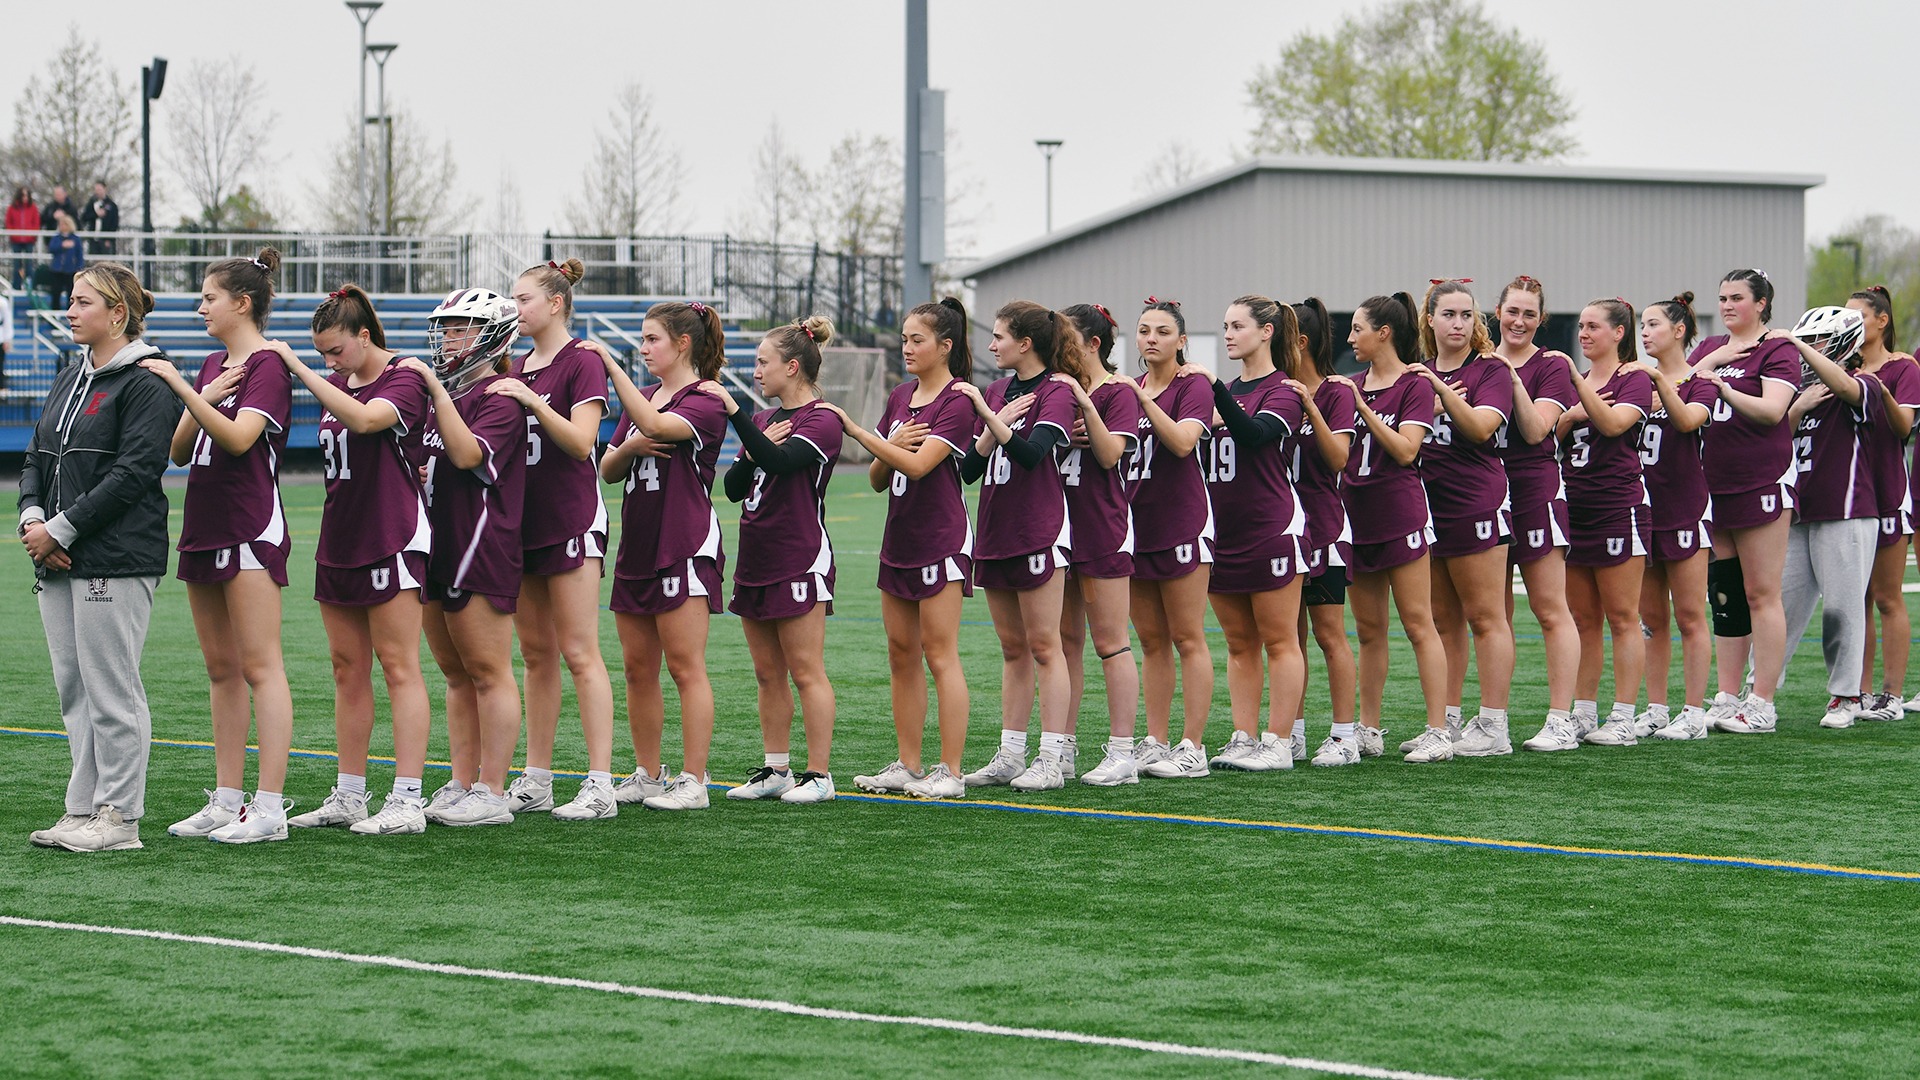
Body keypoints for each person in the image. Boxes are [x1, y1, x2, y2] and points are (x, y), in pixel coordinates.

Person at [21, 263, 181, 852]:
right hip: (59, 554)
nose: (69, 311)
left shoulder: (147, 380)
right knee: (75, 689)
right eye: (71, 300)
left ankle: (119, 818)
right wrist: (33, 519)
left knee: (112, 689)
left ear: (118, 314)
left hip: (116, 556)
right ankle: (83, 807)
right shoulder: (71, 374)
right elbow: (37, 455)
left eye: (82, 301)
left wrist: (61, 530)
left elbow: (136, 472)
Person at [142, 248, 297, 843]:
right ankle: (227, 798)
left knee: (261, 666)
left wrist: (183, 386)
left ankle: (270, 806)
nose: (200, 307)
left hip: (249, 524)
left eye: (209, 298)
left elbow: (237, 439)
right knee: (221, 670)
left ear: (242, 303)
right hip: (204, 524)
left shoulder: (267, 364)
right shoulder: (213, 364)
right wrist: (200, 391)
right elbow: (179, 451)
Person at [275, 285, 436, 835]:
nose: (330, 362)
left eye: (336, 351)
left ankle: (407, 798)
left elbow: (368, 421)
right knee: (346, 668)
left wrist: (300, 368)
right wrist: (324, 374)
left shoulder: (406, 375)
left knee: (398, 665)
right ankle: (349, 794)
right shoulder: (339, 382)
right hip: (339, 538)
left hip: (391, 534)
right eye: (320, 354)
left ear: (364, 336)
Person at [831, 297, 976, 801]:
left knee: (940, 654)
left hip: (941, 539)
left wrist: (859, 432)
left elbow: (917, 467)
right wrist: (890, 442)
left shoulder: (958, 399)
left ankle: (951, 772)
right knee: (901, 655)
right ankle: (908, 765)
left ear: (945, 346)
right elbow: (878, 478)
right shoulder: (899, 396)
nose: (907, 348)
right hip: (899, 541)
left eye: (917, 340)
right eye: (904, 339)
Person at [491, 260, 617, 821]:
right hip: (524, 525)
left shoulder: (581, 359)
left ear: (556, 303)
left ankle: (600, 783)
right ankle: (537, 777)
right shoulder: (517, 364)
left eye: (523, 299)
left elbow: (582, 442)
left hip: (571, 519)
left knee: (579, 652)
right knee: (535, 656)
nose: (514, 309)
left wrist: (533, 401)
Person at [705, 317, 843, 805]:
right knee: (767, 673)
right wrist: (748, 447)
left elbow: (782, 462)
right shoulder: (764, 420)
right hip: (756, 558)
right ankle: (776, 768)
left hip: (798, 556)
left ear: (792, 366)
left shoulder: (822, 418)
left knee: (806, 670)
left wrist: (734, 412)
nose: (757, 371)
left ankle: (819, 775)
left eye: (764, 363)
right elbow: (733, 487)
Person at [599, 300, 729, 811]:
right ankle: (649, 774)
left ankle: (694, 780)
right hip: (638, 545)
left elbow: (654, 425)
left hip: (683, 543)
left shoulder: (706, 398)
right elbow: (608, 468)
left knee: (684, 667)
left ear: (683, 343)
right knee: (637, 669)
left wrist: (610, 368)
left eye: (652, 339)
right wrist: (629, 449)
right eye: (642, 339)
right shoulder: (647, 396)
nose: (643, 348)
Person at [409, 287, 528, 825]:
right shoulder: (449, 396)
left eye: (461, 329)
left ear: (493, 336)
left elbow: (465, 454)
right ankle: (461, 780)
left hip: (480, 542)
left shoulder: (500, 397)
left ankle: (493, 790)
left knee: (487, 670)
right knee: (455, 674)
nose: (449, 340)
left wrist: (435, 392)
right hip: (438, 539)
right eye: (447, 329)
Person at [957, 301, 1084, 793]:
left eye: (999, 337)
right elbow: (969, 469)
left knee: (1045, 646)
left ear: (1025, 343)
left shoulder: (1057, 390)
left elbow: (1032, 454)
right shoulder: (996, 392)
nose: (991, 345)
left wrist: (992, 418)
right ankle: (1010, 755)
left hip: (1038, 528)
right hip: (995, 529)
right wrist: (993, 419)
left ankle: (1052, 758)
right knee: (1013, 649)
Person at [1329, 292, 1452, 762]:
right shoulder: (1353, 383)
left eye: (1358, 328)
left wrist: (1361, 408)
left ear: (1384, 333)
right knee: (1369, 630)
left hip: (1400, 515)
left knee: (1419, 624)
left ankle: (1438, 731)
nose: (1350, 337)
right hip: (1356, 515)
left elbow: (1406, 450)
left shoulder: (1413, 383)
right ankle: (1369, 728)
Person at [1191, 294, 1311, 773]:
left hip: (1270, 527)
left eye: (1238, 326)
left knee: (1280, 640)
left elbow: (1254, 435)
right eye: (1225, 326)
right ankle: (1244, 735)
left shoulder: (1285, 388)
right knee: (1239, 643)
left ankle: (1279, 741)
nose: (1228, 334)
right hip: (1223, 530)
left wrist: (1214, 391)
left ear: (1267, 331)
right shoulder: (1224, 391)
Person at [1536, 299, 1653, 749]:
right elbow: (1548, 436)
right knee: (1583, 618)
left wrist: (1578, 395)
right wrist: (1569, 413)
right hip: (1576, 505)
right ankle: (1584, 712)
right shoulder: (1579, 382)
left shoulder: (1633, 377)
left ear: (1619, 332)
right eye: (1581, 326)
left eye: (1593, 326)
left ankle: (1623, 717)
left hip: (1618, 505)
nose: (1583, 334)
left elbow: (1613, 424)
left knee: (1623, 616)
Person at [1408, 279, 1517, 757]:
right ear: (1430, 319)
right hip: (1429, 505)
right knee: (1443, 620)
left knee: (1486, 616)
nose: (1458, 323)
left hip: (1476, 500)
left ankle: (1494, 725)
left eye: (1467, 315)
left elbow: (1479, 427)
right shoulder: (1419, 370)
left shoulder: (1490, 368)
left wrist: (1437, 392)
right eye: (1449, 314)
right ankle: (1447, 721)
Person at [1691, 269, 1800, 733]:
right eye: (1722, 297)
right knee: (1726, 594)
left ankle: (1762, 702)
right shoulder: (1710, 347)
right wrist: (1711, 362)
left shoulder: (1777, 348)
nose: (1728, 305)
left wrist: (1724, 387)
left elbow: (1773, 411)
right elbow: (1675, 390)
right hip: (1713, 484)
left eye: (1737, 297)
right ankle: (1727, 695)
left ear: (1761, 303)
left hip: (1760, 480)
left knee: (1761, 592)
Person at [1123, 298, 1217, 779]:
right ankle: (1155, 740)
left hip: (1182, 521)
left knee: (1187, 636)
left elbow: (1182, 442)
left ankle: (1192, 746)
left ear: (1181, 340)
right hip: (1137, 526)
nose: (1151, 339)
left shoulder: (1192, 384)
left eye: (1162, 331)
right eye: (1144, 330)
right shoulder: (1130, 386)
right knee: (1151, 640)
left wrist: (1142, 402)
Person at [1775, 307, 1881, 729]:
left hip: (1846, 510)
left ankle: (1846, 695)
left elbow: (1845, 386)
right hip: (1799, 511)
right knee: (1780, 606)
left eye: (1815, 341)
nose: (1807, 349)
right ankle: (1759, 691)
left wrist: (1796, 345)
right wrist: (1796, 407)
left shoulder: (1862, 382)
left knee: (1842, 607)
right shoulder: (1801, 392)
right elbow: (1775, 440)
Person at [1490, 276, 1582, 744]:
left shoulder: (1551, 365)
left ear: (1541, 319)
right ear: (1498, 312)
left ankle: (1561, 720)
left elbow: (1535, 430)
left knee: (1549, 609)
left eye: (1529, 314)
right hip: (1485, 493)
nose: (1519, 321)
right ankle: (1493, 722)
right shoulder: (1477, 361)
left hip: (1533, 489)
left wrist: (1507, 375)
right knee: (1493, 616)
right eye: (1512, 311)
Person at [1057, 303, 1143, 786]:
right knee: (1064, 642)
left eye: (1065, 338)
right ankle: (1061, 748)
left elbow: (1111, 455)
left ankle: (1123, 752)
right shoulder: (1056, 388)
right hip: (1057, 528)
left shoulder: (1118, 390)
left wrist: (1088, 418)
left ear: (1092, 344)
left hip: (1102, 526)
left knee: (1111, 642)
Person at [1637, 294, 1719, 741]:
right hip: (1643, 509)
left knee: (1689, 615)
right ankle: (1655, 708)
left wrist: (1660, 384)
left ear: (1679, 330)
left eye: (1653, 324)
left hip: (1685, 506)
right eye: (1642, 325)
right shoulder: (1636, 380)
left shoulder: (1699, 381)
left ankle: (1693, 712)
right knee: (1651, 620)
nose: (1645, 333)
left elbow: (1688, 421)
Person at [1287, 298, 1364, 767]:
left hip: (1325, 527)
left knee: (1329, 634)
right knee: (1287, 638)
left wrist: (1308, 406)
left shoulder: (1335, 391)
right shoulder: (1272, 389)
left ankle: (1343, 736)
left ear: (1300, 342)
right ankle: (1291, 733)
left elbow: (1338, 459)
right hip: (1282, 530)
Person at [1847, 286, 1920, 720]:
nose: (1851, 324)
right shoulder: (1842, 369)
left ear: (1881, 320)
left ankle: (1891, 695)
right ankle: (1858, 691)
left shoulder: (1902, 367)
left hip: (1888, 490)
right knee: (1856, 600)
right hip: (1847, 494)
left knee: (1887, 596)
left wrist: (1881, 391)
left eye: (1858, 316)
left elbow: (1904, 428)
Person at [45, 211, 83, 310]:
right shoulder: (56, 238)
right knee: (55, 292)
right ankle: (55, 312)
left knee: (70, 293)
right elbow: (51, 249)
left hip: (70, 269)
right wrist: (62, 245)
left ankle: (70, 311)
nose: (62, 226)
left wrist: (79, 268)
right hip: (56, 269)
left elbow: (79, 254)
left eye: (64, 224)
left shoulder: (75, 239)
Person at [6, 187, 38, 290]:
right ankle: (16, 287)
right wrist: (14, 234)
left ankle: (31, 287)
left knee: (29, 265)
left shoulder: (33, 208)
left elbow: (36, 222)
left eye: (27, 195)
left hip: (29, 240)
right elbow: (8, 222)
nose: (25, 198)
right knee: (17, 265)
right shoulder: (12, 208)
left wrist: (32, 234)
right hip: (16, 240)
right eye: (23, 195)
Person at [79, 180, 118, 256]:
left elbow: (114, 223)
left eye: (99, 189)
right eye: (96, 190)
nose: (97, 192)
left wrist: (109, 239)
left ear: (105, 189)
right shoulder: (91, 204)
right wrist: (95, 214)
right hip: (93, 239)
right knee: (93, 260)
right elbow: (84, 218)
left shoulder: (112, 205)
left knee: (106, 261)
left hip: (106, 240)